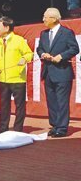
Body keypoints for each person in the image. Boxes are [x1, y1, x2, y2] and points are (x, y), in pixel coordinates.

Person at [36, 7, 79, 138]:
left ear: (54, 19)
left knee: (62, 101)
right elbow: (39, 48)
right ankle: (55, 125)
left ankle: (62, 127)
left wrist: (61, 56)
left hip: (62, 72)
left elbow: (74, 48)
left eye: (45, 17)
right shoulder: (43, 34)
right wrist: (43, 54)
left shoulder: (66, 33)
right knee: (52, 101)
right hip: (48, 71)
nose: (43, 19)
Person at [0, 17, 33, 135]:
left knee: (20, 106)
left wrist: (24, 59)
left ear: (7, 27)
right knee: (4, 105)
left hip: (18, 78)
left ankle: (18, 129)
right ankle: (3, 128)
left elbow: (29, 53)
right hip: (3, 79)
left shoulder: (19, 40)